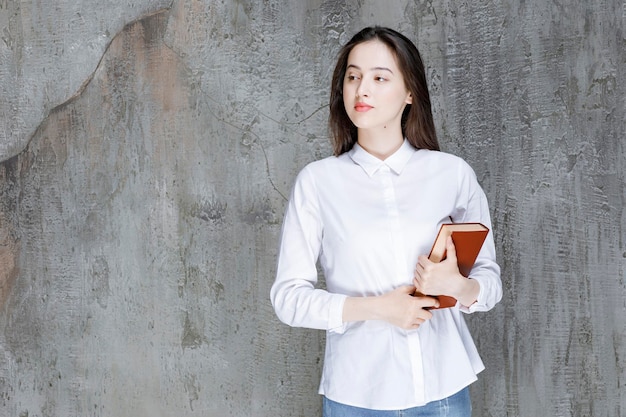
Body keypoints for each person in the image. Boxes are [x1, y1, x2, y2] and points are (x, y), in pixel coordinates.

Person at [270, 26, 502, 416]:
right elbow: (288, 299)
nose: (362, 89)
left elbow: (490, 282)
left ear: (410, 92)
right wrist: (378, 308)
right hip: (356, 395)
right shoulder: (318, 182)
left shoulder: (452, 175)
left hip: (443, 391)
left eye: (380, 78)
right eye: (353, 76)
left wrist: (457, 285)